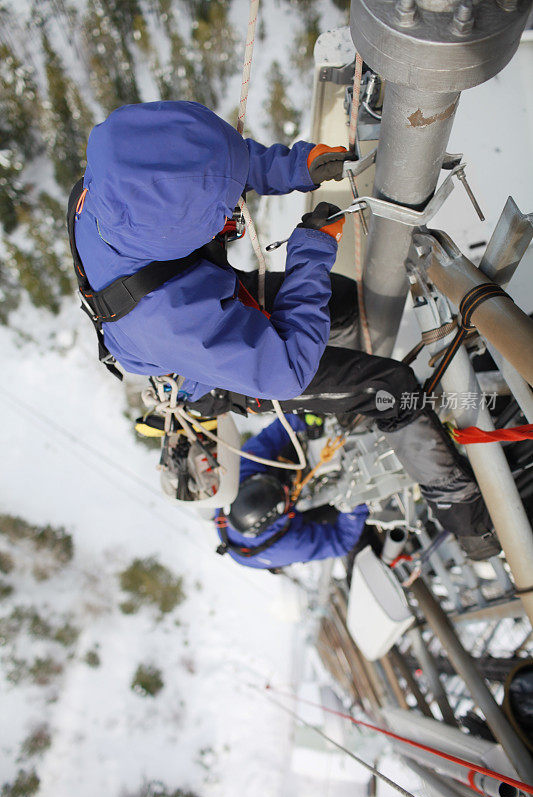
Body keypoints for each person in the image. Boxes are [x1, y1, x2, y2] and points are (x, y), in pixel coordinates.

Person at [69, 100, 499, 561]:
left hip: (192, 295)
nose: (227, 218)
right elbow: (286, 370)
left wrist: (296, 166)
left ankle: (342, 396)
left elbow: (213, 167)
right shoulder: (168, 321)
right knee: (385, 387)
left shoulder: (116, 179)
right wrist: (310, 253)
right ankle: (471, 523)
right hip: (210, 366)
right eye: (218, 214)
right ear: (176, 227)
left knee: (335, 300)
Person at [215, 415, 369, 569]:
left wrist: (301, 418)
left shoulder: (240, 476)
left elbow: (269, 438)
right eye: (285, 494)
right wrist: (356, 501)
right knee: (335, 518)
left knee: (287, 451)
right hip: (275, 542)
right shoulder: (289, 547)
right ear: (277, 517)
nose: (290, 488)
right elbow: (341, 541)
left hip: (266, 485)